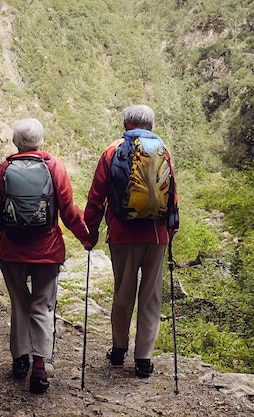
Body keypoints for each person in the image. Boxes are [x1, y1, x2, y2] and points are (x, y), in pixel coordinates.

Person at [0, 117, 92, 394]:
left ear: (16, 142)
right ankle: (40, 368)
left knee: (20, 303)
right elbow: (68, 210)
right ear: (41, 141)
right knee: (43, 307)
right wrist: (86, 238)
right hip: (47, 250)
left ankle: (20, 360)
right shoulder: (54, 167)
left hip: (12, 250)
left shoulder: (3, 169)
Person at [84, 104, 179, 378]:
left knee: (123, 291)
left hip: (123, 234)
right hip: (156, 235)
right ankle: (144, 359)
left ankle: (118, 349)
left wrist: (90, 232)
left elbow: (96, 196)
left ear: (126, 124)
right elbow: (171, 196)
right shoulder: (163, 150)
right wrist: (169, 233)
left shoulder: (112, 150)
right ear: (151, 125)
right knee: (151, 297)